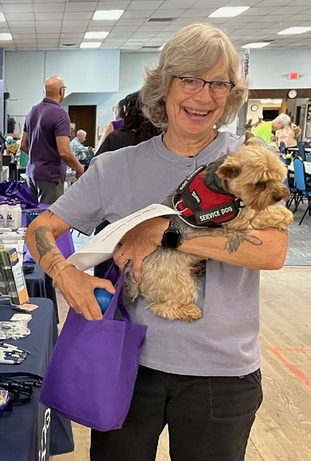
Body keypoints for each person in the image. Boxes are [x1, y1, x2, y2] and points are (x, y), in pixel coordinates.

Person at [25, 23, 289, 461]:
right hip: (128, 365)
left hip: (221, 373)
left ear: (231, 93)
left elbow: (273, 251)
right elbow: (41, 229)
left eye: (218, 83)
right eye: (190, 79)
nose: (204, 96)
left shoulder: (246, 160)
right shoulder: (115, 168)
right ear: (164, 85)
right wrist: (66, 274)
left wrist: (166, 234)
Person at [94, 90, 161, 278]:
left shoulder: (116, 139)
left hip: (113, 227)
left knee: (106, 288)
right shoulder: (163, 145)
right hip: (151, 227)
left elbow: (96, 178)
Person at [20, 75, 84, 204]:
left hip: (32, 174)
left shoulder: (32, 112)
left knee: (32, 216)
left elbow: (23, 145)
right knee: (48, 219)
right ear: (61, 91)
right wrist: (79, 168)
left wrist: (39, 157)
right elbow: (64, 152)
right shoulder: (60, 115)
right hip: (49, 177)